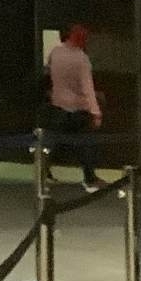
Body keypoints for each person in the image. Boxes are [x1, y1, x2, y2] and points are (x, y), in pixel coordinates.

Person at [43, 23, 102, 190]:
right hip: (78, 110)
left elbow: (49, 73)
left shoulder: (55, 52)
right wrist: (96, 112)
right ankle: (90, 179)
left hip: (58, 106)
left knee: (52, 143)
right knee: (85, 145)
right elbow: (87, 87)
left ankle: (43, 175)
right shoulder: (81, 58)